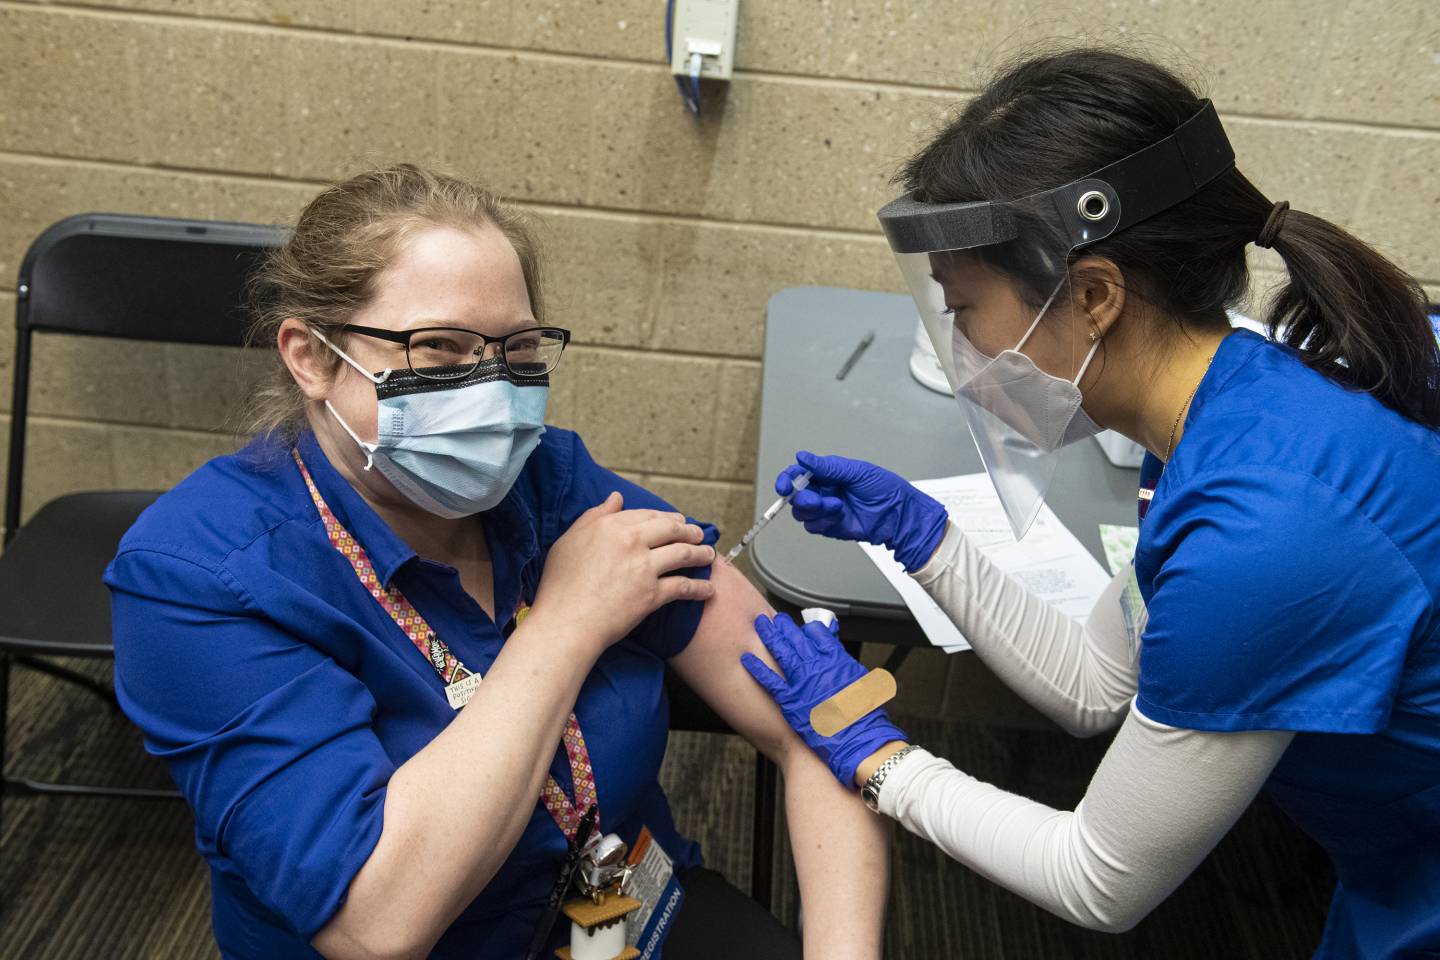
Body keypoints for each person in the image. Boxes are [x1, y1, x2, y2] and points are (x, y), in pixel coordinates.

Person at [741, 49, 1440, 959]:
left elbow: (1098, 879)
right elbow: (1095, 684)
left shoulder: (1266, 532)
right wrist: (922, 537)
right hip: (1393, 865)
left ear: (1095, 294)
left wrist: (877, 759)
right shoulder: (1223, 414)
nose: (955, 343)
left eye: (962, 308)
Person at [105, 165, 890, 960]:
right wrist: (566, 625)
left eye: (516, 350)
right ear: (312, 357)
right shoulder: (198, 577)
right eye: (438, 347)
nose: (489, 392)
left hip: (615, 915)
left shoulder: (550, 484)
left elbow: (823, 729)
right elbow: (376, 923)